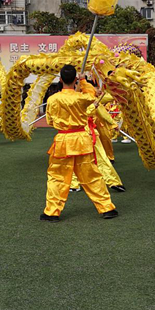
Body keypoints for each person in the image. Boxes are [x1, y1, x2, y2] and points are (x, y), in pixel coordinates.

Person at [41, 64, 118, 222]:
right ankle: (107, 208)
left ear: (60, 79)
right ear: (75, 78)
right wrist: (83, 81)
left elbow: (50, 121)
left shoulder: (52, 99)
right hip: (82, 140)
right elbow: (92, 95)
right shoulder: (82, 98)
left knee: (57, 177)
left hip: (63, 141)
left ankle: (52, 212)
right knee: (92, 175)